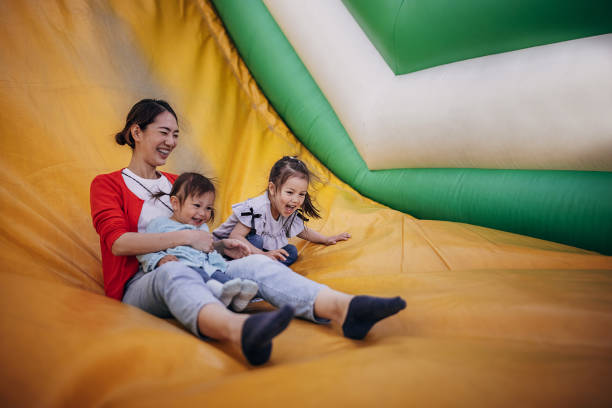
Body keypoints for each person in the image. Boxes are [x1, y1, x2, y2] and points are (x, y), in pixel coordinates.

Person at [90, 99, 407, 366]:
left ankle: (344, 308)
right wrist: (185, 238)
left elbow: (201, 236)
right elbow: (119, 244)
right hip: (143, 283)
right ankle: (239, 330)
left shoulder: (178, 180)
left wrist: (224, 245)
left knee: (258, 263)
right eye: (163, 132)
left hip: (203, 266)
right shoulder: (108, 184)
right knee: (172, 272)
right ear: (136, 132)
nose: (171, 142)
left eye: (175, 134)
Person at [137, 172, 259, 311]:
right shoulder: (159, 224)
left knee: (226, 280)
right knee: (203, 279)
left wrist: (220, 247)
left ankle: (237, 298)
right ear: (175, 203)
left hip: (208, 267)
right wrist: (159, 259)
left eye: (208, 208)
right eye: (197, 205)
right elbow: (144, 251)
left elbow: (207, 248)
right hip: (184, 267)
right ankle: (219, 293)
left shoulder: (203, 227)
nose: (202, 213)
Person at [213, 156, 350, 266]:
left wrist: (326, 239)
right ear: (272, 189)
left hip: (257, 254)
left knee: (290, 252)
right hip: (225, 249)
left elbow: (302, 231)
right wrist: (262, 254)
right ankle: (243, 268)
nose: (296, 200)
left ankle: (266, 268)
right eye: (290, 192)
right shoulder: (258, 208)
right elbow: (235, 237)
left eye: (301, 194)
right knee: (257, 240)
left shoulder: (287, 209)